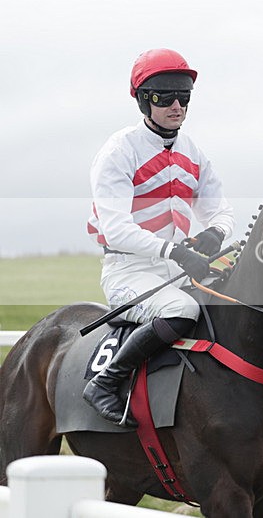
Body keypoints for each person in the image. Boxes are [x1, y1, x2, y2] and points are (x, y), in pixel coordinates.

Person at [83, 48, 235, 428]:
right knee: (182, 311)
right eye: (165, 96)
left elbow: (222, 210)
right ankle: (106, 382)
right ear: (143, 100)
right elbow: (115, 228)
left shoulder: (193, 152)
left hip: (175, 269)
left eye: (183, 96)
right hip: (128, 271)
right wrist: (174, 250)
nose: (176, 105)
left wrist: (215, 234)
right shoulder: (119, 151)